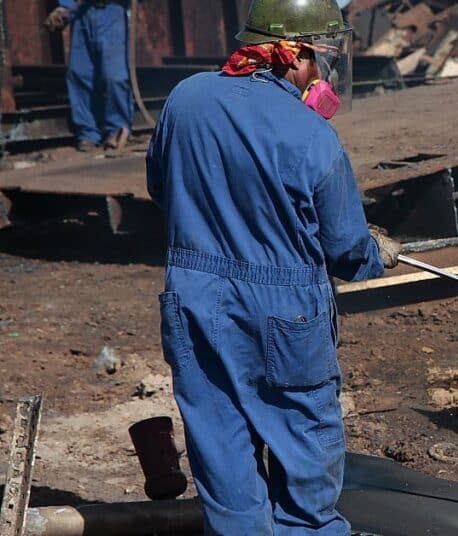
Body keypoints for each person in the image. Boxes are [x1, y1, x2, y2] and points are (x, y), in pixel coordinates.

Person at [145, 0, 400, 533]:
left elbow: (160, 186)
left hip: (194, 298)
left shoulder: (185, 98)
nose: (322, 75)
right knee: (305, 460)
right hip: (285, 312)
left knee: (222, 457)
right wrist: (378, 250)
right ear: (295, 56)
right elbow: (348, 252)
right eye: (321, 60)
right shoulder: (311, 134)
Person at [45, 0, 133, 151]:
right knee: (79, 73)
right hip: (82, 13)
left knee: (114, 76)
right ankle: (88, 133)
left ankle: (117, 129)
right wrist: (64, 8)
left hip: (112, 12)